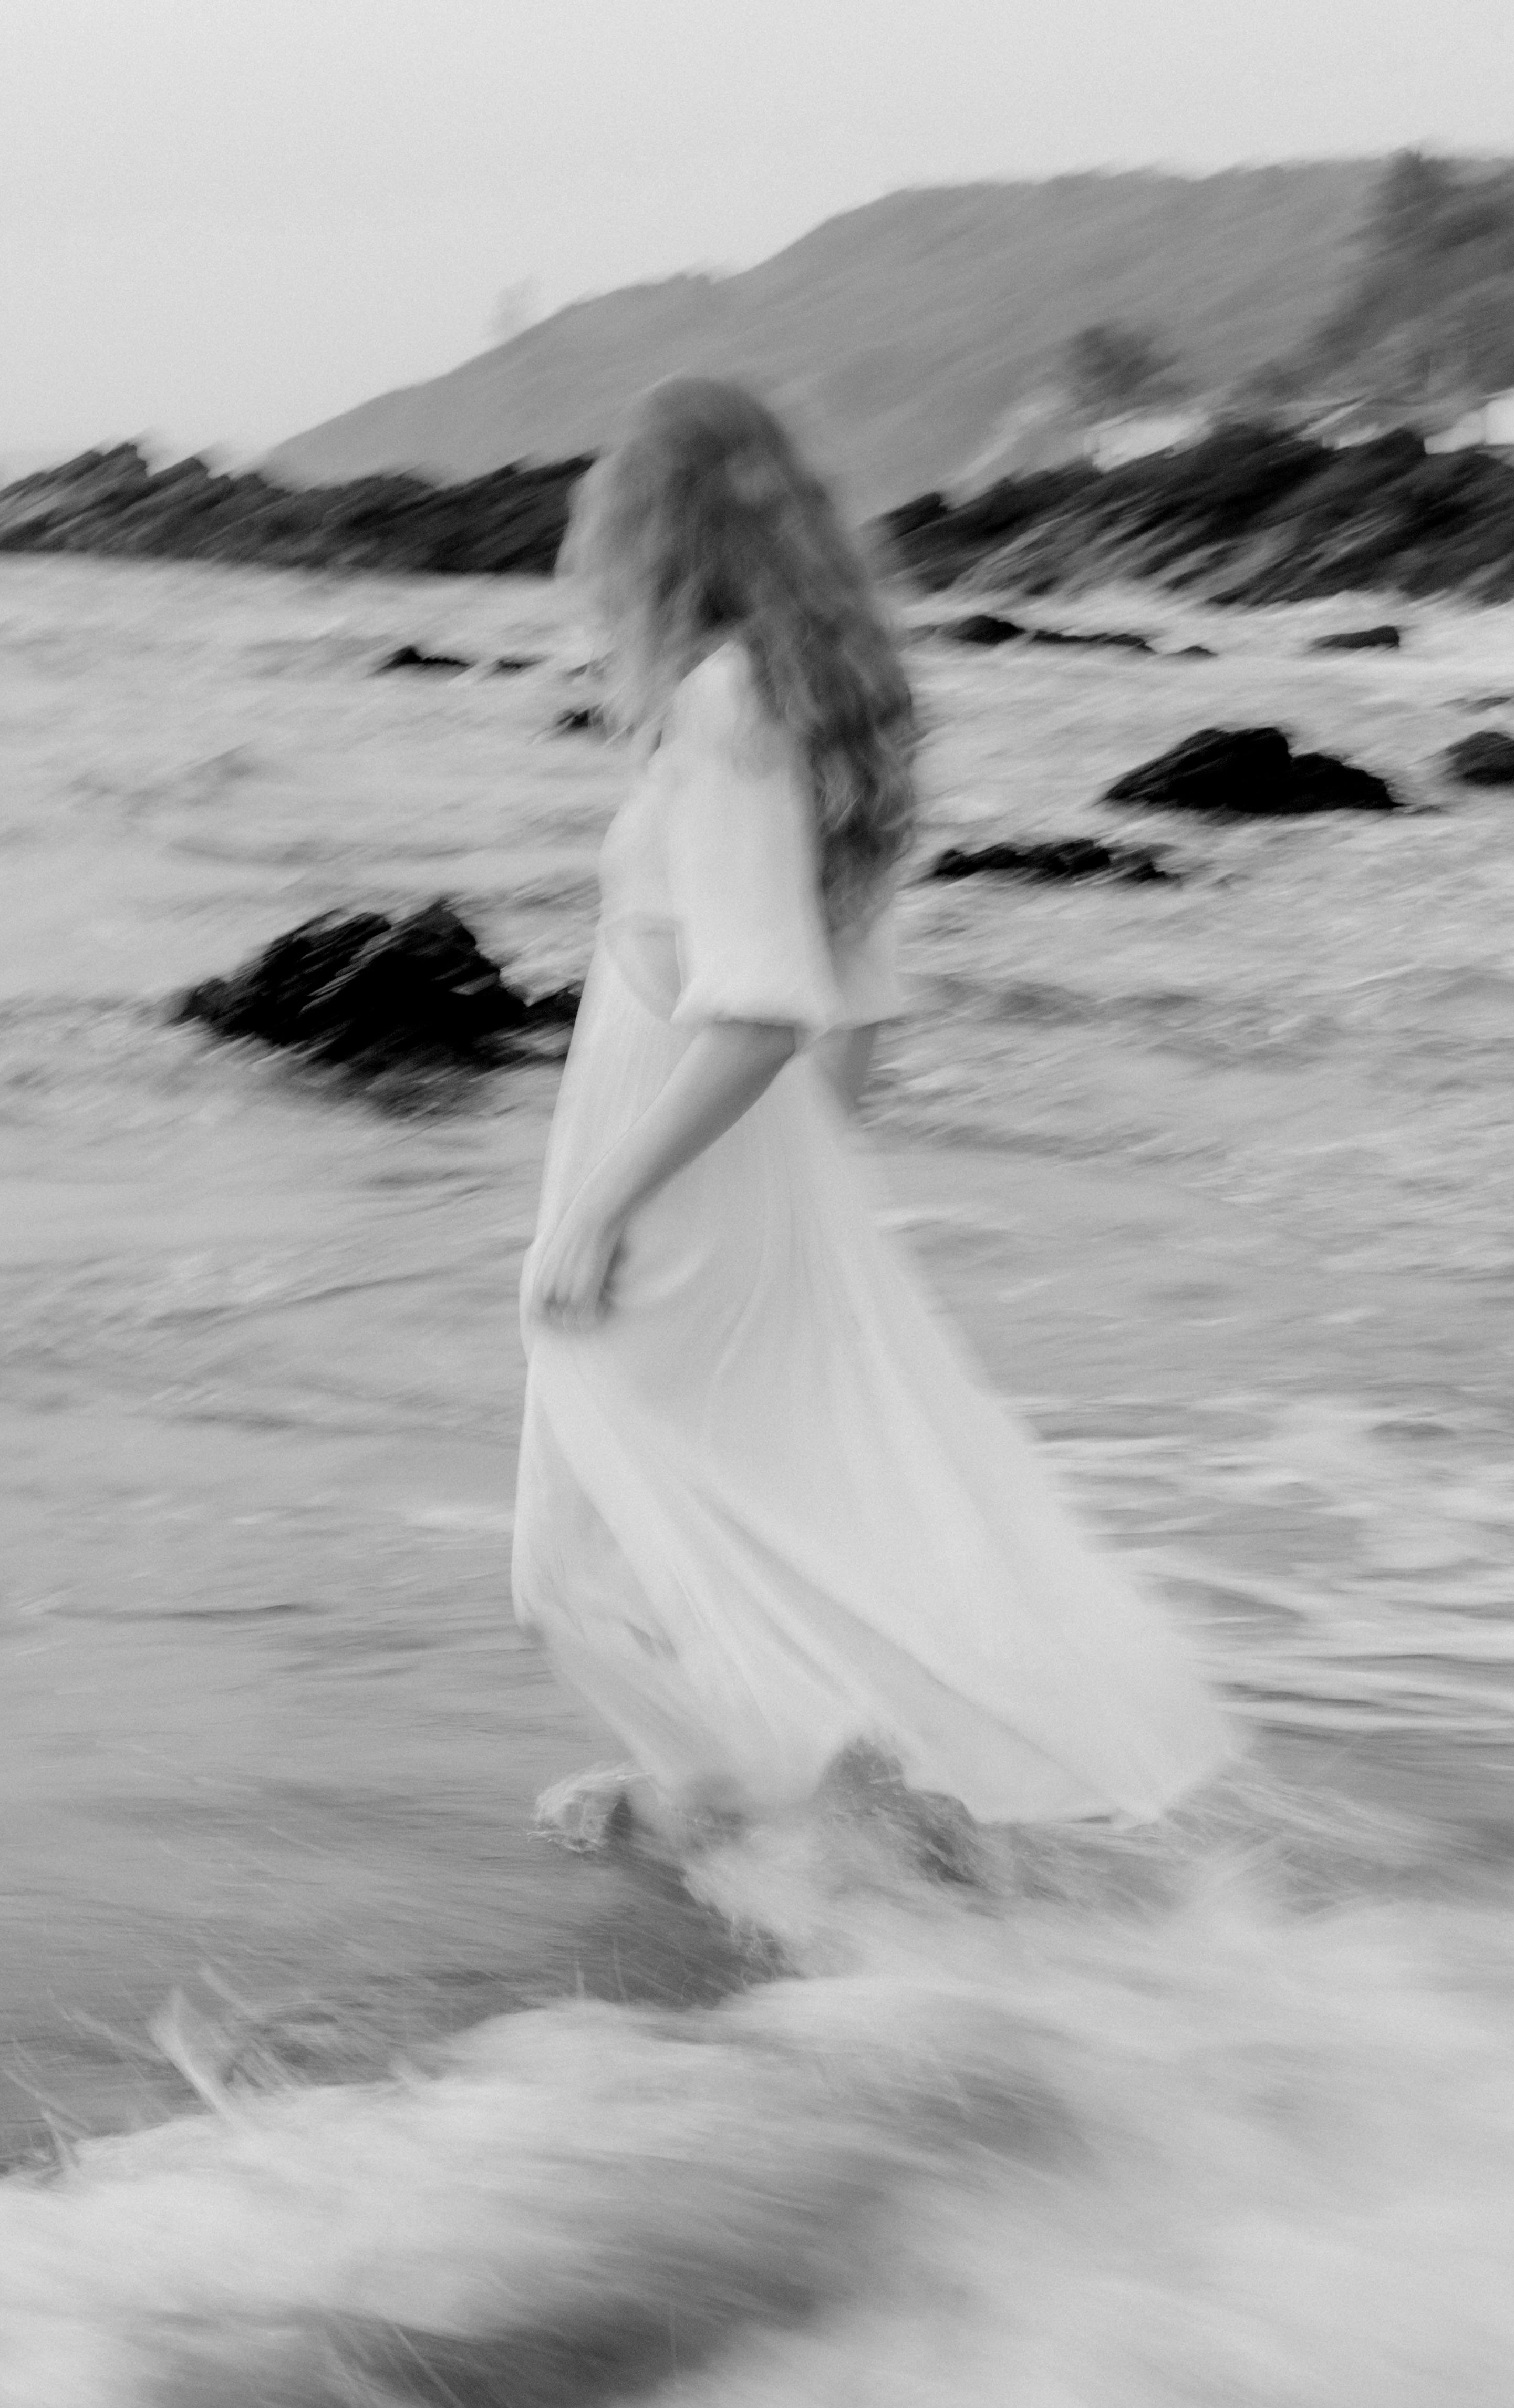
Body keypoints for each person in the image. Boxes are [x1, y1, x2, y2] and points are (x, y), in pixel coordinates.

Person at [514, 377, 1233, 1868]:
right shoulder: (818, 698)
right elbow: (855, 998)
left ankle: (753, 1819)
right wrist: (806, 1196)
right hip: (746, 1172)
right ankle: (838, 1828)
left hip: (672, 1172)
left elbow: (762, 1005)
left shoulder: (725, 704)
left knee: (577, 1564)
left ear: (652, 537)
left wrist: (603, 1207)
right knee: (746, 1519)